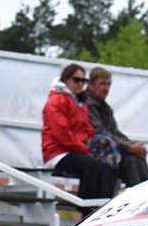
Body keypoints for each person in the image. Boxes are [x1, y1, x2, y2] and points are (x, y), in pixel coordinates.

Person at [41, 62, 117, 199]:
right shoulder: (56, 101)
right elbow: (62, 136)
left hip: (75, 150)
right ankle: (86, 205)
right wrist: (85, 149)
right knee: (93, 166)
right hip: (57, 153)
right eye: (76, 80)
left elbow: (87, 129)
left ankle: (103, 204)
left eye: (83, 80)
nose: (80, 84)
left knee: (108, 165)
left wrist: (93, 143)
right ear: (66, 80)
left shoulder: (80, 102)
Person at [83, 68, 148, 187]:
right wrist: (129, 147)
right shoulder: (86, 105)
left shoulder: (105, 108)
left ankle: (147, 190)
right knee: (131, 160)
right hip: (93, 148)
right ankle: (138, 193)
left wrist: (133, 145)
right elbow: (99, 132)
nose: (106, 88)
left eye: (108, 84)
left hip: (107, 147)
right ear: (90, 85)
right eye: (101, 84)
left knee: (136, 156)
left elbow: (114, 132)